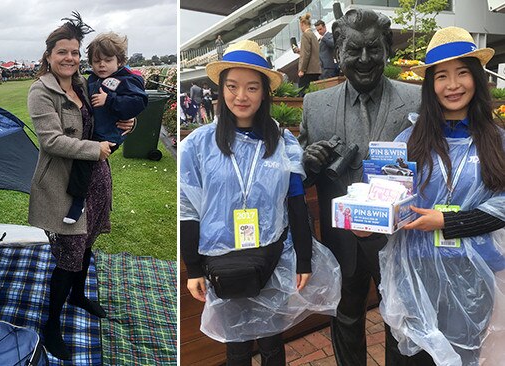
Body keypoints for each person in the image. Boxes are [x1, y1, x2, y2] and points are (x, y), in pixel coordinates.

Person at [180, 40, 340, 366]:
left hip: (272, 256)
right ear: (221, 90)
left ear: (264, 92)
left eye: (252, 87)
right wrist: (193, 268)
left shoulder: (282, 141)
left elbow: (296, 202)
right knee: (236, 345)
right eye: (233, 86)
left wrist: (304, 260)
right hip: (222, 261)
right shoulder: (198, 145)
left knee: (271, 338)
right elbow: (188, 210)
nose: (242, 96)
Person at [298, 9, 421, 365]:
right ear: (338, 54)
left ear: (387, 50)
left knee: (400, 317)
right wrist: (307, 163)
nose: (364, 59)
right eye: (353, 50)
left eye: (373, 49)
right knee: (346, 316)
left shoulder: (416, 100)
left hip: (399, 239)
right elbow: (300, 178)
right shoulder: (315, 105)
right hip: (342, 240)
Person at [378, 26, 505, 366]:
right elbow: (389, 199)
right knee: (418, 356)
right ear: (430, 85)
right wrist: (369, 220)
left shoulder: (496, 140)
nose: (452, 85)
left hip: (473, 275)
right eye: (442, 76)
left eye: (462, 73)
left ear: (477, 79)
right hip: (417, 273)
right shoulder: (409, 140)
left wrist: (446, 221)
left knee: (464, 356)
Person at [27, 12, 134, 360]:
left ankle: (77, 296)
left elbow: (103, 118)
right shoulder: (40, 91)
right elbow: (51, 141)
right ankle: (52, 322)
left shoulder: (85, 85)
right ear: (49, 55)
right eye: (63, 52)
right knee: (69, 255)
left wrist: (125, 122)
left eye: (75, 52)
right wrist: (96, 149)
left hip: (95, 178)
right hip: (63, 184)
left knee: (87, 244)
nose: (70, 58)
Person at [63, 31, 147, 224]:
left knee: (83, 161)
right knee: (84, 161)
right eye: (96, 61)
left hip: (109, 135)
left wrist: (110, 100)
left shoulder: (127, 79)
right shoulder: (91, 79)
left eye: (107, 60)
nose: (101, 65)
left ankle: (77, 202)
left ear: (119, 61)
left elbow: (138, 103)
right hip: (95, 131)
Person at [295, 13, 320, 96]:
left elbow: (306, 54)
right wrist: (300, 51)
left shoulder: (305, 35)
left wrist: (302, 69)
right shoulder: (313, 35)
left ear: (302, 24)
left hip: (308, 70)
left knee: (302, 93)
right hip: (316, 69)